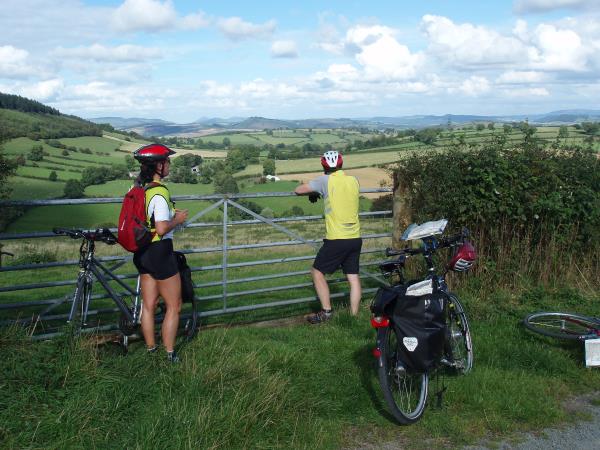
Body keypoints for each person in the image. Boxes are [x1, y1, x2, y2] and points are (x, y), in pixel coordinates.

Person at [132, 143, 188, 362]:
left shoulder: (139, 188)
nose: (170, 165)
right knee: (174, 305)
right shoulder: (160, 191)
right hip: (160, 251)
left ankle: (151, 350)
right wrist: (178, 219)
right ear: (159, 165)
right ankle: (170, 354)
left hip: (143, 250)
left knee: (149, 304)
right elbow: (163, 227)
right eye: (167, 161)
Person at [294, 150, 362, 323]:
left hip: (337, 238)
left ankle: (326, 312)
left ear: (324, 165)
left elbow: (298, 190)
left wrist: (314, 192)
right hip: (355, 237)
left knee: (317, 272)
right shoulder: (354, 180)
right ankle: (354, 316)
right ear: (341, 164)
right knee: (353, 277)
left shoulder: (324, 180)